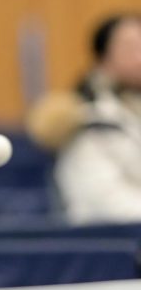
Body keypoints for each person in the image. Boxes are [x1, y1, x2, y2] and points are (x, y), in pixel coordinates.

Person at [27, 14, 141, 224]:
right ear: (104, 59)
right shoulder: (87, 121)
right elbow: (104, 204)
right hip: (105, 241)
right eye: (131, 47)